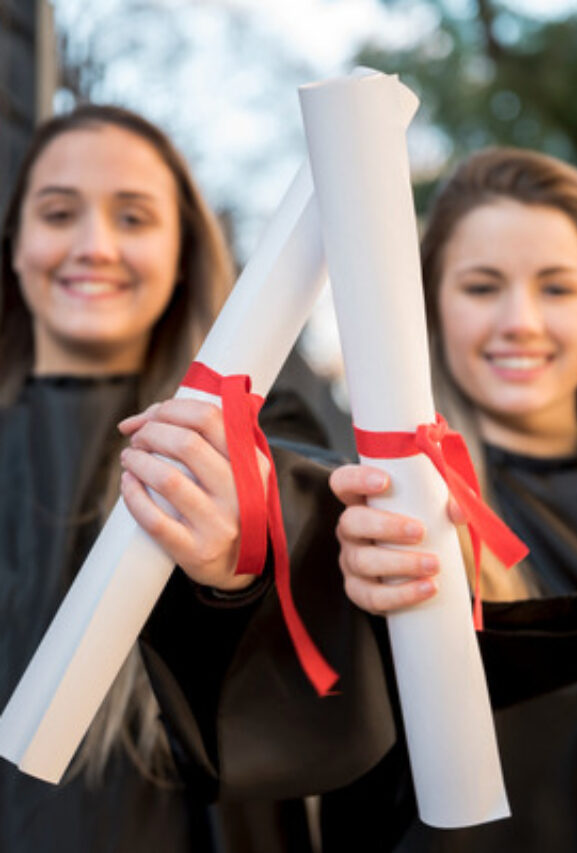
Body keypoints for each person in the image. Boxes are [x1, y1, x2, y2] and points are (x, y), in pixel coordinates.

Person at [0, 105, 392, 853]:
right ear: (14, 241)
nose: (94, 245)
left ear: (182, 247)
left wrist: (241, 562)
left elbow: (320, 498)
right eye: (57, 212)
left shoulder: (258, 418)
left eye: (134, 216)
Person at [326, 147, 577, 853]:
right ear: (431, 305)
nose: (520, 321)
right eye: (481, 287)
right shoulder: (392, 516)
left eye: (557, 289)